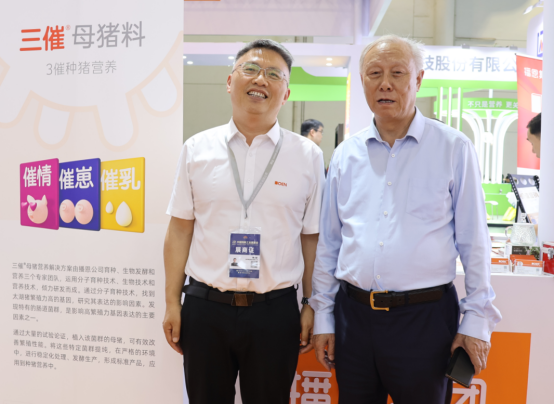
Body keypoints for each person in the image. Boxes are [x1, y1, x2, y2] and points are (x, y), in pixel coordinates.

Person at [310, 35, 501, 404]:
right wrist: (324, 317)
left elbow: (474, 242)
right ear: (362, 81)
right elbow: (330, 243)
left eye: (397, 73)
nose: (385, 83)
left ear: (418, 80)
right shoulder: (346, 154)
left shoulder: (453, 148)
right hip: (353, 318)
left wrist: (477, 320)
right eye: (374, 74)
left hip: (425, 321)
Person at [163, 39, 325, 404]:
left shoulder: (307, 156)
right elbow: (180, 228)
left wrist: (310, 302)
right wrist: (172, 301)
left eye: (274, 74)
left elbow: (311, 237)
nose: (260, 79)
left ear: (286, 93)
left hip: (275, 312)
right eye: (250, 69)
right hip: (205, 308)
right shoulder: (197, 149)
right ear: (229, 81)